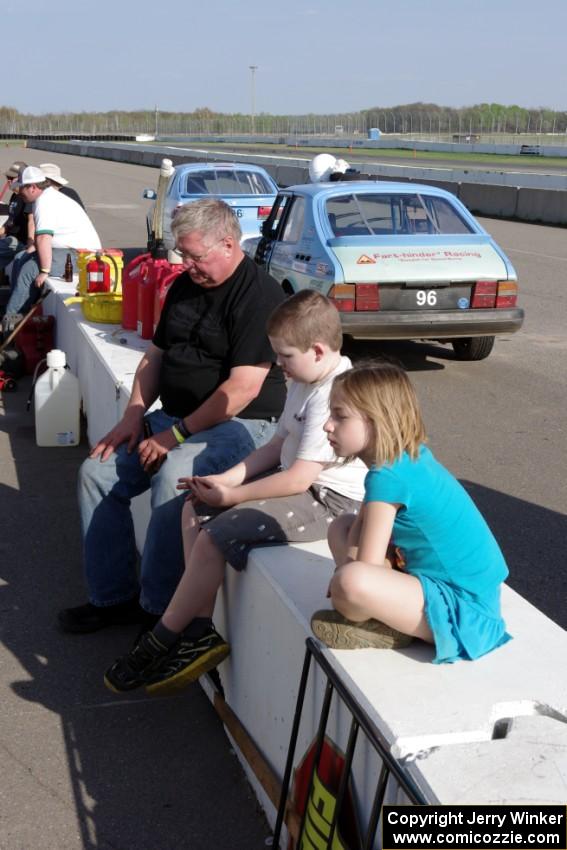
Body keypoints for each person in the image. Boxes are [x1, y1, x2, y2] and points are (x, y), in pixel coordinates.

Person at [103, 290, 367, 695]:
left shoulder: (331, 393)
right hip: (299, 483)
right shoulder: (305, 378)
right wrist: (226, 479)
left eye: (285, 356)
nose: (278, 364)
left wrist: (232, 497)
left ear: (317, 350)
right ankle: (201, 629)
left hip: (329, 501)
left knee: (214, 533)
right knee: (194, 507)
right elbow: (276, 446)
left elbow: (298, 479)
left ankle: (162, 637)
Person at [59, 198, 287, 634]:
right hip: (175, 419)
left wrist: (175, 437)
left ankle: (160, 610)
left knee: (172, 478)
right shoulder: (186, 286)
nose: (188, 265)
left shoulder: (259, 296)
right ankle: (112, 598)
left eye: (195, 256)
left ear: (227, 243)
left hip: (238, 427)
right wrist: (134, 414)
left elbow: (241, 391)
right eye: (183, 255)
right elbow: (155, 358)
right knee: (97, 470)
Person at [310, 362, 512, 664]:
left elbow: (367, 567)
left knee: (350, 584)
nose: (328, 425)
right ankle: (381, 620)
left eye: (339, 416)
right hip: (465, 593)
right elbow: (360, 530)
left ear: (376, 422)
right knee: (340, 526)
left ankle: (382, 624)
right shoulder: (400, 459)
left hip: (463, 613)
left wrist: (344, 584)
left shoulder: (388, 477)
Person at [5, 166, 101, 315]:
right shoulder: (45, 197)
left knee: (29, 270)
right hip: (70, 250)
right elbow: (42, 238)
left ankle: (10, 321)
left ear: (32, 187)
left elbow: (44, 237)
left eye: (21, 188)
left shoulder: (45, 202)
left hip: (83, 256)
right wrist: (29, 251)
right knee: (20, 258)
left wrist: (44, 271)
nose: (19, 193)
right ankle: (18, 309)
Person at [0, 161, 34, 273]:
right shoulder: (15, 196)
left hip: (20, 240)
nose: (8, 181)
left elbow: (32, 222)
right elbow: (9, 222)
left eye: (11, 178)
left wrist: (30, 246)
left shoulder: (27, 198)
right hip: (11, 237)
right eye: (7, 178)